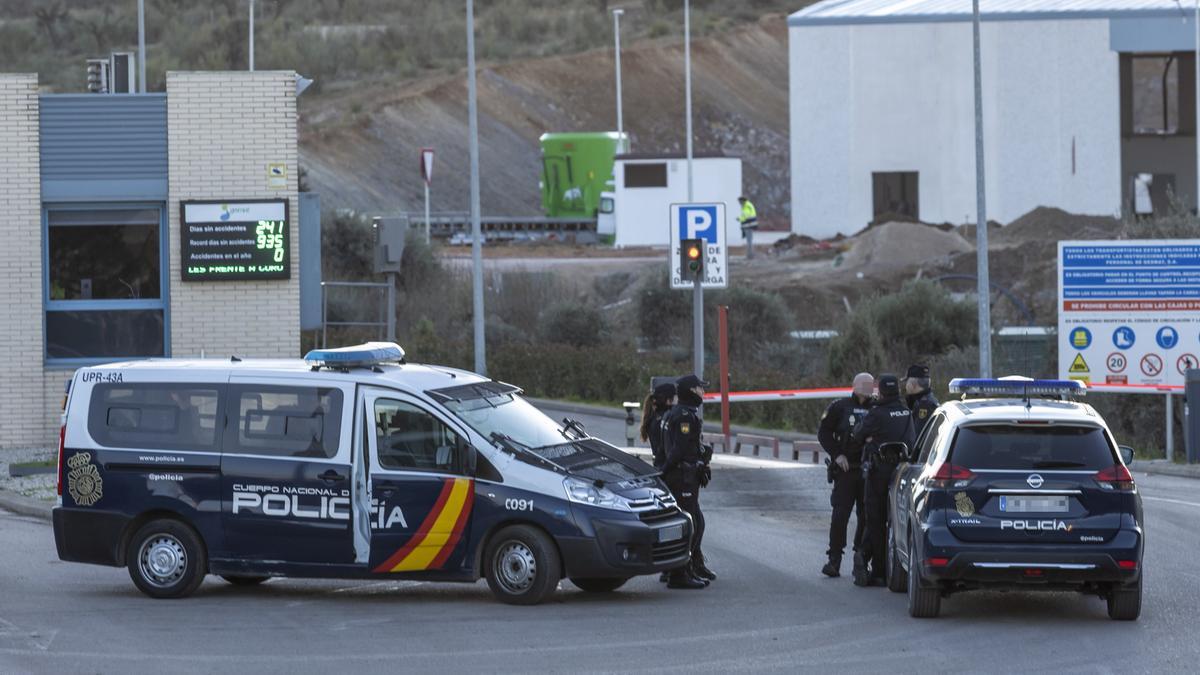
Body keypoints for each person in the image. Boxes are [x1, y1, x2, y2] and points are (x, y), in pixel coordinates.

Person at [847, 373, 914, 587]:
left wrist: (869, 438)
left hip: (879, 470)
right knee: (895, 519)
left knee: (875, 519)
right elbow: (912, 442)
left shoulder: (876, 414)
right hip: (901, 470)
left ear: (881, 391)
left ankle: (875, 567)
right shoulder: (906, 411)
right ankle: (882, 565)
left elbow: (857, 434)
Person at [817, 372, 874, 578]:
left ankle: (861, 558)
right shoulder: (839, 407)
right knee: (840, 515)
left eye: (870, 384)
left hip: (869, 470)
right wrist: (837, 454)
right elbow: (823, 433)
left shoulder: (877, 408)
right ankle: (834, 560)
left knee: (866, 517)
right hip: (845, 470)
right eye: (864, 384)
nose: (868, 388)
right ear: (855, 385)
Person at [661, 374, 714, 589]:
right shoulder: (684, 415)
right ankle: (678, 573)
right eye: (700, 388)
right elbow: (679, 449)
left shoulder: (678, 413)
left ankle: (685, 567)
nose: (703, 392)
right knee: (688, 523)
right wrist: (666, 470)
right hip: (682, 477)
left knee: (694, 521)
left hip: (683, 475)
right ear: (692, 391)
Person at [640, 381, 676, 469]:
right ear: (668, 400)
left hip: (659, 464)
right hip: (666, 467)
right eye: (676, 396)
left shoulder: (653, 416)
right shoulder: (665, 419)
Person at [905, 364, 939, 441]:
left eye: (906, 382)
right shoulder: (930, 400)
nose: (905, 386)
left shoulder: (924, 405)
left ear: (912, 385)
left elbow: (917, 438)